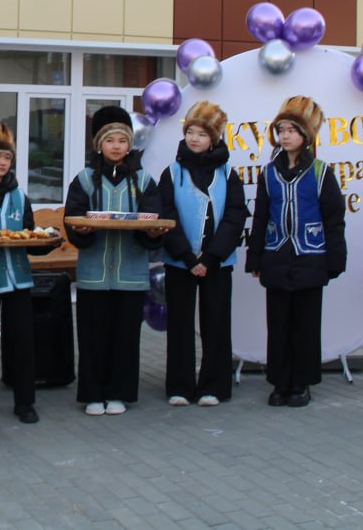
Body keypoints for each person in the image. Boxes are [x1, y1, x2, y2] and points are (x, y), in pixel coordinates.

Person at [63, 106, 165, 416]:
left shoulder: (144, 181)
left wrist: (152, 232)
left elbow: (154, 219)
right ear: (99, 145)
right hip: (93, 272)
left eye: (122, 141)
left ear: (129, 145)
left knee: (125, 337)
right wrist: (80, 231)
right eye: (110, 141)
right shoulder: (84, 180)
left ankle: (120, 393)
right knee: (93, 336)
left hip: (130, 273)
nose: (116, 146)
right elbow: (73, 218)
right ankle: (93, 394)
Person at [245, 96, 345, 408]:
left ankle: (302, 382)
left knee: (305, 325)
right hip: (276, 256)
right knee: (278, 325)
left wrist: (334, 260)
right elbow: (260, 217)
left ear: (305, 135)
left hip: (310, 257)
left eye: (291, 130)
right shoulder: (268, 173)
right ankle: (279, 382)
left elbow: (334, 218)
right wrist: (255, 258)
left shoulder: (321, 172)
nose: (285, 136)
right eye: (281, 130)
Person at [156, 100, 248, 408]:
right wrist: (186, 256)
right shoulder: (172, 173)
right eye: (190, 132)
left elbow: (235, 216)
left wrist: (210, 258)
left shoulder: (228, 174)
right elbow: (166, 215)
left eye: (202, 134)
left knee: (216, 324)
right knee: (179, 325)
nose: (194, 139)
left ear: (214, 138)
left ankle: (214, 386)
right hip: (180, 263)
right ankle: (179, 386)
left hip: (216, 264)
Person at [0, 122, 50, 425]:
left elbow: (28, 235)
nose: (2, 163)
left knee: (23, 342)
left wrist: (43, 243)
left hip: (19, 279)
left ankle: (25, 401)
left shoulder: (19, 194)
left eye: (7, 157)